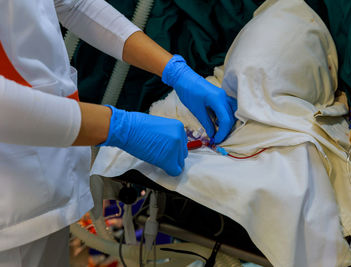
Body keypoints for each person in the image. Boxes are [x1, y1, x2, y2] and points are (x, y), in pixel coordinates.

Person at [0, 0, 236, 266]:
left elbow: (73, 4)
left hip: (42, 183)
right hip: (10, 206)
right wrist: (119, 126)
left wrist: (174, 70)